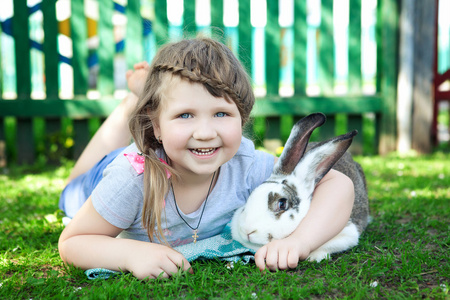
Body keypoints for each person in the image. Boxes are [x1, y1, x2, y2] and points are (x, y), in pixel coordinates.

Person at [58, 37, 355, 280]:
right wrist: (131, 253)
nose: (204, 132)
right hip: (102, 178)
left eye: (221, 114)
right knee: (71, 187)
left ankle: (150, 99)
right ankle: (133, 101)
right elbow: (73, 241)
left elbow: (338, 184)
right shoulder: (129, 180)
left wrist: (297, 243)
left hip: (158, 146)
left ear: (242, 119)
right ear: (158, 126)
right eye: (185, 114)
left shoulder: (245, 163)